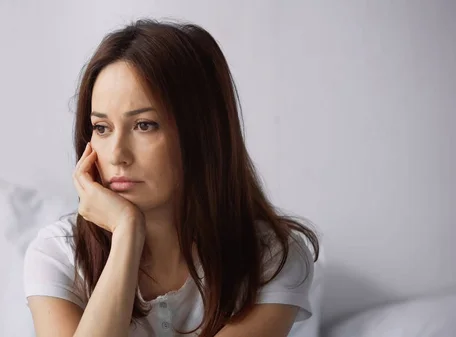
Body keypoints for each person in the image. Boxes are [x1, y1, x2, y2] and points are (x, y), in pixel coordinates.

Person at [24, 19, 319, 337]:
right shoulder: (58, 253)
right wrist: (127, 233)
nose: (117, 154)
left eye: (144, 125)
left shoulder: (271, 257)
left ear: (203, 134)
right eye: (102, 128)